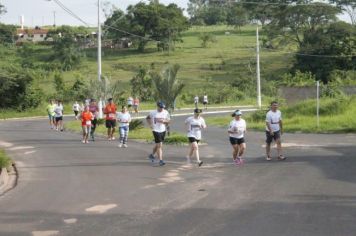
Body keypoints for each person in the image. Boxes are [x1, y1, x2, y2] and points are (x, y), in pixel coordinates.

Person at [146, 101, 170, 166]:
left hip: (163, 130)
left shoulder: (166, 112)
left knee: (157, 144)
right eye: (161, 107)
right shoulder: (153, 112)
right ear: (158, 107)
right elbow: (147, 118)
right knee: (160, 145)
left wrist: (164, 121)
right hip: (155, 130)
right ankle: (160, 160)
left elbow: (168, 121)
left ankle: (152, 155)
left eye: (163, 107)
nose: (162, 109)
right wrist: (150, 124)